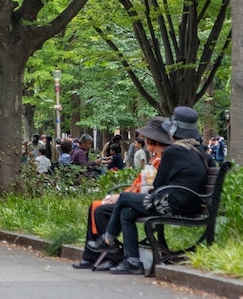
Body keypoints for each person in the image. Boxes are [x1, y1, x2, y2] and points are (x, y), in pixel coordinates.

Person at [87, 107, 210, 275]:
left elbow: (159, 185)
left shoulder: (173, 151)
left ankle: (108, 239)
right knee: (126, 212)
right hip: (194, 205)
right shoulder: (201, 152)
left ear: (174, 132)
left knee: (124, 197)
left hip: (171, 204)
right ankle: (132, 261)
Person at [73, 117, 166, 271]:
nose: (144, 140)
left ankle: (112, 255)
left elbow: (149, 186)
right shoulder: (156, 158)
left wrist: (124, 196)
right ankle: (91, 256)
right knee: (95, 206)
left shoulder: (162, 158)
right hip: (138, 196)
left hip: (143, 199)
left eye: (147, 138)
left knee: (100, 209)